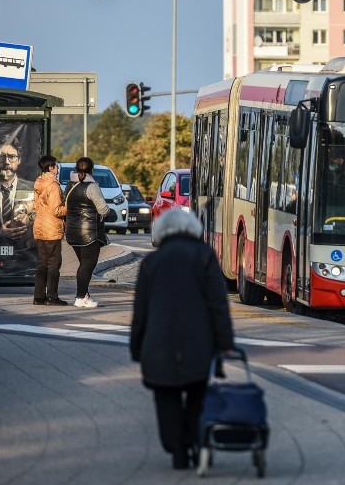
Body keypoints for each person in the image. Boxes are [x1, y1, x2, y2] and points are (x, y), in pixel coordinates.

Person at [130, 208, 235, 470]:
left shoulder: (151, 263)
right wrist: (225, 342)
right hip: (198, 344)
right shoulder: (205, 257)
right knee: (197, 393)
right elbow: (217, 304)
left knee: (166, 395)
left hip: (158, 344)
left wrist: (136, 346)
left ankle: (176, 448)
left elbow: (140, 310)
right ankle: (192, 440)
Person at [63, 157, 110, 308]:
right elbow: (103, 209)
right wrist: (106, 211)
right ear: (92, 170)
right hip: (90, 233)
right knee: (87, 265)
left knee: (83, 264)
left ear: (76, 169)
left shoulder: (70, 185)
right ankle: (80, 297)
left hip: (72, 231)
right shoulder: (92, 187)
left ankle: (85, 295)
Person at [0, 138, 35, 243]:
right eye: (1, 157)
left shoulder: (33, 189)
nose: (6, 161)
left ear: (19, 160)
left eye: (12, 157)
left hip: (24, 254)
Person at [32, 155, 68, 306]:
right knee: (54, 264)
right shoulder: (53, 185)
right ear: (51, 168)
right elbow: (57, 210)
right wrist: (70, 207)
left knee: (42, 264)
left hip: (39, 227)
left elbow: (35, 206)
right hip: (52, 229)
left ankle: (38, 297)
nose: (57, 169)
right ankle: (52, 297)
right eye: (56, 167)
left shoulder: (39, 183)